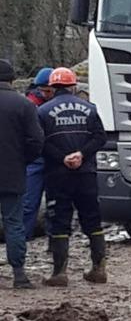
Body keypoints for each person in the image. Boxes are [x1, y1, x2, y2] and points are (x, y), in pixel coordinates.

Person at [38, 67, 108, 287]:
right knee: (92, 219)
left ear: (52, 87)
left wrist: (63, 158)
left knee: (59, 221)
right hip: (86, 173)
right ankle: (99, 269)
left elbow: (40, 143)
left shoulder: (42, 111)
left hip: (58, 175)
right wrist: (82, 154)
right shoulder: (90, 109)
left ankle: (59, 273)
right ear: (74, 86)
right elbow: (100, 137)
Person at [0, 59, 45, 289]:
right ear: (13, 79)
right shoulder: (24, 105)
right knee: (14, 222)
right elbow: (37, 141)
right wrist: (23, 160)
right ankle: (18, 274)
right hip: (12, 173)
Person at [23, 67, 54, 239]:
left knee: (53, 203)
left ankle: (54, 240)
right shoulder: (31, 106)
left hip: (46, 158)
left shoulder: (33, 103)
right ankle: (23, 239)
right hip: (37, 159)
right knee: (29, 203)